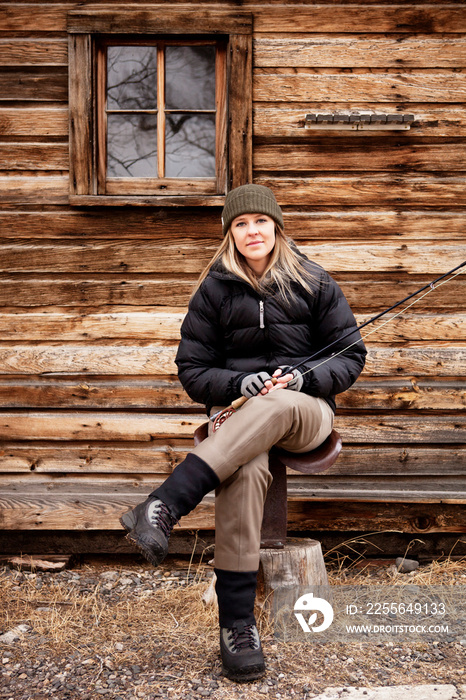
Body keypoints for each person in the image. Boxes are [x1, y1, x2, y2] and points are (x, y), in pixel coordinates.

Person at [120, 184, 366, 682]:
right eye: (240, 224)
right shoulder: (213, 291)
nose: (252, 231)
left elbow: (351, 357)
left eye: (260, 222)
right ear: (230, 234)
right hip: (235, 414)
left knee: (274, 402)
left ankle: (167, 500)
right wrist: (237, 382)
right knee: (245, 470)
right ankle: (237, 626)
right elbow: (192, 370)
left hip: (305, 413)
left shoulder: (314, 282)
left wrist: (304, 378)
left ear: (276, 227)